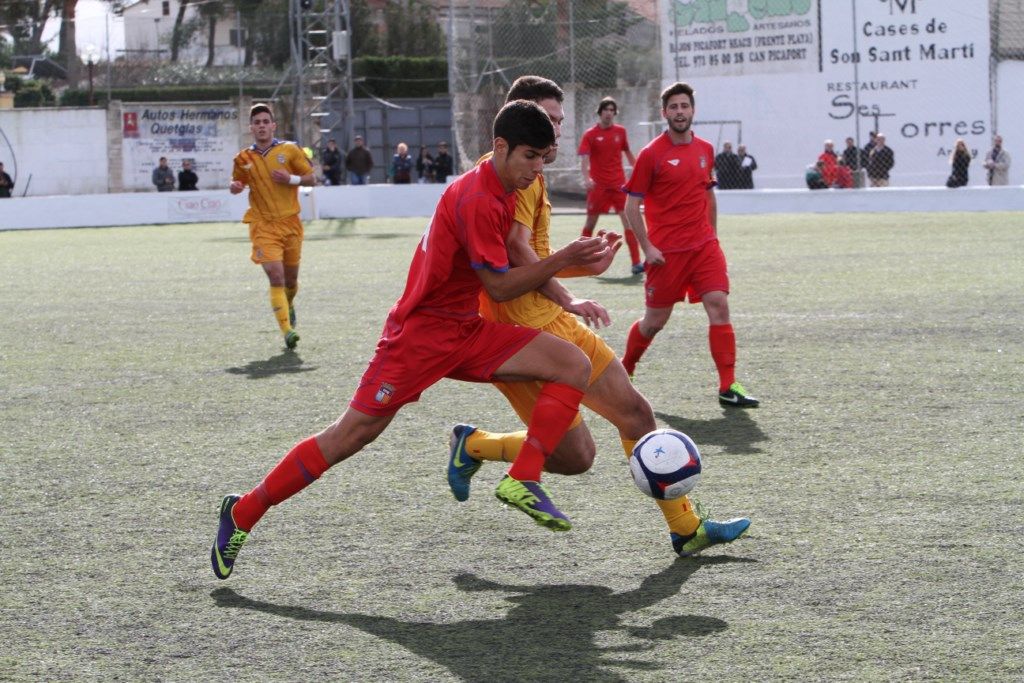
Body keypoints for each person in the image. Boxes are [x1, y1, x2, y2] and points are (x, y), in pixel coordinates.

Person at [211, 100, 617, 579]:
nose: (536, 169)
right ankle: (244, 512)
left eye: (544, 158)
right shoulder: (478, 198)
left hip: (464, 329)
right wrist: (567, 258)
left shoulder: (506, 185)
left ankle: (523, 477)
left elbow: (516, 262)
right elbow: (502, 285)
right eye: (530, 156)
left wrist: (568, 295)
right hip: (419, 337)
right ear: (500, 147)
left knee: (572, 364)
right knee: (349, 436)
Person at [448, 76, 751, 559]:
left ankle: (687, 528)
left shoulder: (532, 169)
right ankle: (476, 446)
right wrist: (570, 291)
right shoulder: (505, 178)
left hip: (550, 315)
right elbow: (515, 252)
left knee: (636, 413)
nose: (555, 131)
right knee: (575, 458)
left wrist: (578, 270)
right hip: (518, 334)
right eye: (547, 121)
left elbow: (531, 256)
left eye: (560, 121)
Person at [621, 82, 760, 409]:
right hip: (665, 256)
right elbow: (631, 207)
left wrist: (712, 237)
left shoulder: (705, 149)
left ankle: (728, 386)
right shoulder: (651, 155)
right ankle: (624, 370)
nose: (679, 112)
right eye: (673, 107)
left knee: (719, 305)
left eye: (684, 106)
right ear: (664, 113)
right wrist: (647, 248)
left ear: (692, 110)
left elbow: (708, 194)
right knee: (654, 323)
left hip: (703, 248)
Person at [229, 103, 315, 350]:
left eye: (266, 122)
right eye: (257, 123)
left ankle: (289, 302)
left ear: (273, 125)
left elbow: (312, 178)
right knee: (275, 276)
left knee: (291, 280)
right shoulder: (243, 158)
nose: (262, 126)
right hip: (262, 225)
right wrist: (234, 187)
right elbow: (237, 182)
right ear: (251, 128)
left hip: (290, 224)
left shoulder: (289, 150)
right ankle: (287, 331)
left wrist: (291, 179)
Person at [578, 96, 644, 276]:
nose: (608, 113)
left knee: (628, 221)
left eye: (611, 110)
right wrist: (586, 178)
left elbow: (628, 153)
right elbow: (584, 159)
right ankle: (579, 260)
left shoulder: (620, 132)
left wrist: (640, 172)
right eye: (605, 109)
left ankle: (637, 263)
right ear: (600, 112)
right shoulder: (590, 134)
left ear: (615, 113)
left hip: (618, 186)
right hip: (598, 187)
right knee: (590, 223)